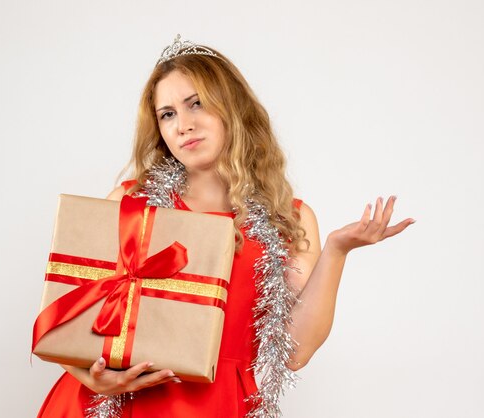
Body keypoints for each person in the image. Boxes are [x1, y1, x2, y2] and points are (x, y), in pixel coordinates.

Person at [37, 35, 415, 418]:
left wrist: (337, 250)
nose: (183, 125)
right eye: (167, 114)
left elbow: (295, 351)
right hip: (112, 405)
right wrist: (87, 376)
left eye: (196, 104)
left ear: (231, 108)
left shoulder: (289, 219)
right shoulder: (130, 203)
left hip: (216, 405)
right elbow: (67, 314)